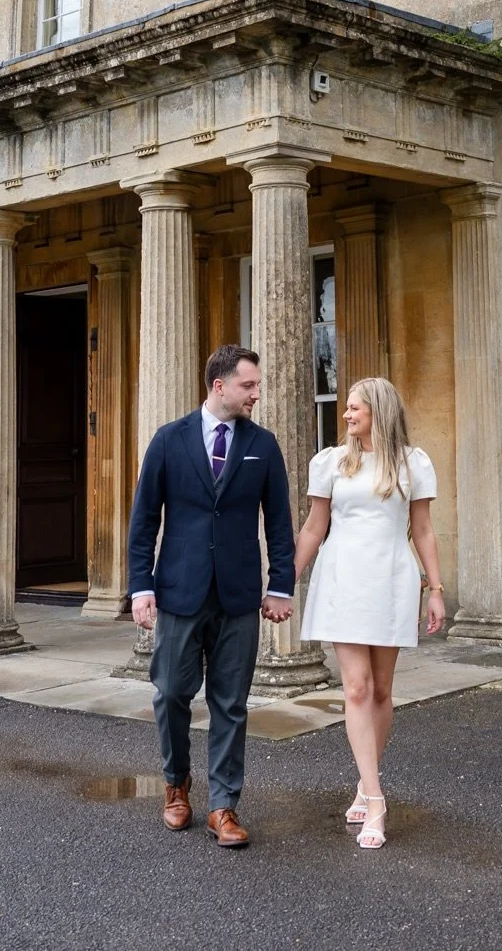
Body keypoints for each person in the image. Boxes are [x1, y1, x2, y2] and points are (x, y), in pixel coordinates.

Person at [128, 345, 295, 849]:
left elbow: (281, 523)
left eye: (257, 385)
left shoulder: (262, 445)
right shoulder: (168, 440)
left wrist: (280, 584)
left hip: (240, 594)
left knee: (231, 703)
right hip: (179, 591)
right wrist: (141, 586)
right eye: (249, 385)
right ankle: (176, 785)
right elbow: (144, 522)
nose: (256, 394)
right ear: (219, 386)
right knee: (172, 694)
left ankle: (224, 805)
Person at [295, 376, 446, 850]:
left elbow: (422, 530)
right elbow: (314, 527)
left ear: (378, 410)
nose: (346, 415)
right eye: (346, 409)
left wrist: (436, 589)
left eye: (355, 408)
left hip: (392, 580)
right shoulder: (332, 462)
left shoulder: (412, 463)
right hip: (343, 579)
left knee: (382, 689)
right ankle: (376, 800)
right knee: (356, 687)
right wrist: (282, 583)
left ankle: (365, 781)